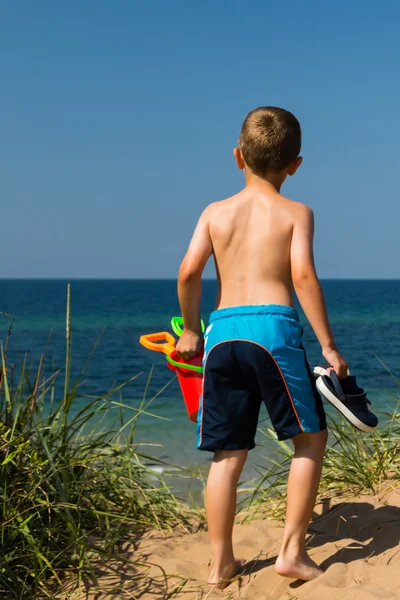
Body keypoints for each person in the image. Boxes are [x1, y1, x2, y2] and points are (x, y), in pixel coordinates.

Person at [176, 106, 348, 588]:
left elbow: (188, 272)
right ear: (295, 164)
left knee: (226, 454)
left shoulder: (215, 213)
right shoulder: (296, 212)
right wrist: (329, 346)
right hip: (272, 331)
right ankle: (292, 552)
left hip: (223, 334)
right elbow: (302, 276)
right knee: (309, 438)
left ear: (237, 157)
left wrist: (191, 329)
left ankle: (220, 564)